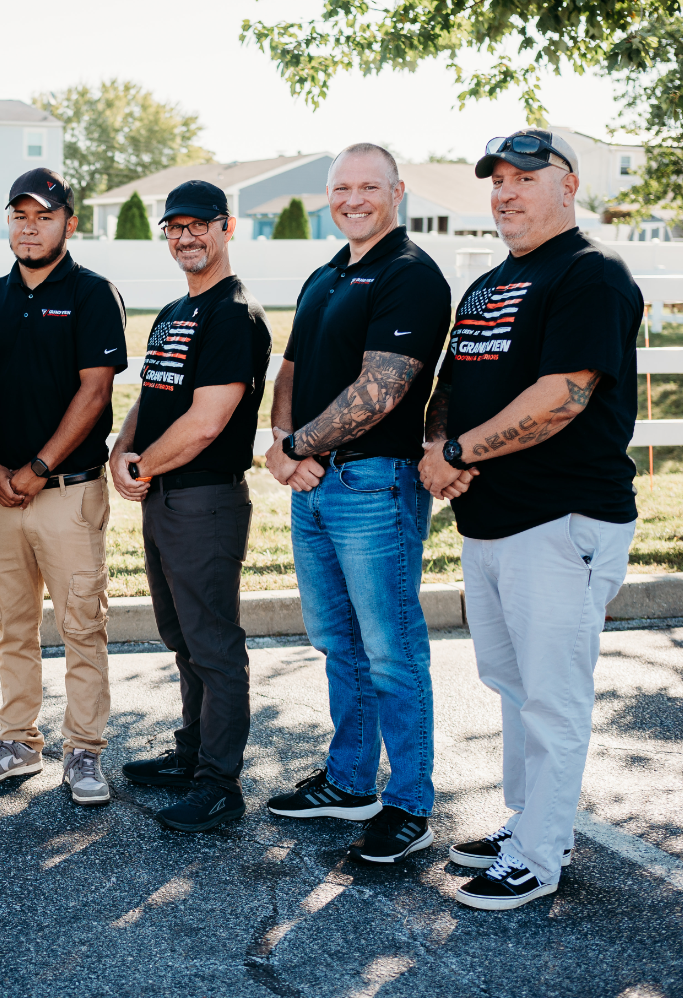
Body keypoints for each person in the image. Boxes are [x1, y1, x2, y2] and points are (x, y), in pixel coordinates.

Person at [419, 129, 641, 911]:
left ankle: (541, 856)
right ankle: (526, 827)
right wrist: (437, 446)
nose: (506, 192)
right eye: (498, 180)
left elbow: (564, 395)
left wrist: (459, 450)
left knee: (553, 695)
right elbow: (455, 378)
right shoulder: (489, 286)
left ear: (569, 183)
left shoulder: (591, 275)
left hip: (562, 519)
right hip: (489, 523)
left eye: (525, 177)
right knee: (512, 686)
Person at [262, 144, 451, 863]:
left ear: (397, 191)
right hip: (315, 486)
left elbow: (385, 388)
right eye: (342, 187)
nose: (353, 198)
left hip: (374, 484)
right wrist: (285, 442)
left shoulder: (409, 275)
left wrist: (299, 447)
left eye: (369, 186)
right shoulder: (328, 272)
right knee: (338, 643)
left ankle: (409, 803)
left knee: (391, 650)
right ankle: (349, 782)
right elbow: (293, 367)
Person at [0, 169, 126, 805]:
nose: (30, 227)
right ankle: (17, 742)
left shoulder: (91, 294)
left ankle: (84, 750)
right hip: (0, 491)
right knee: (13, 623)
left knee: (82, 624)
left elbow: (95, 390)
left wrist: (35, 468)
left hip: (67, 491)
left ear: (68, 224)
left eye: (44, 216)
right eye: (20, 215)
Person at [110, 181, 271, 831]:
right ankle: (193, 749)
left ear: (225, 228)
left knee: (213, 644)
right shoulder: (174, 313)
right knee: (183, 639)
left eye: (197, 226)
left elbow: (208, 422)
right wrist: (123, 450)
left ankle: (219, 784)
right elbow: (153, 398)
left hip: (205, 499)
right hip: (165, 497)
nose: (184, 238)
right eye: (173, 228)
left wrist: (143, 465)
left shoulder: (235, 314)